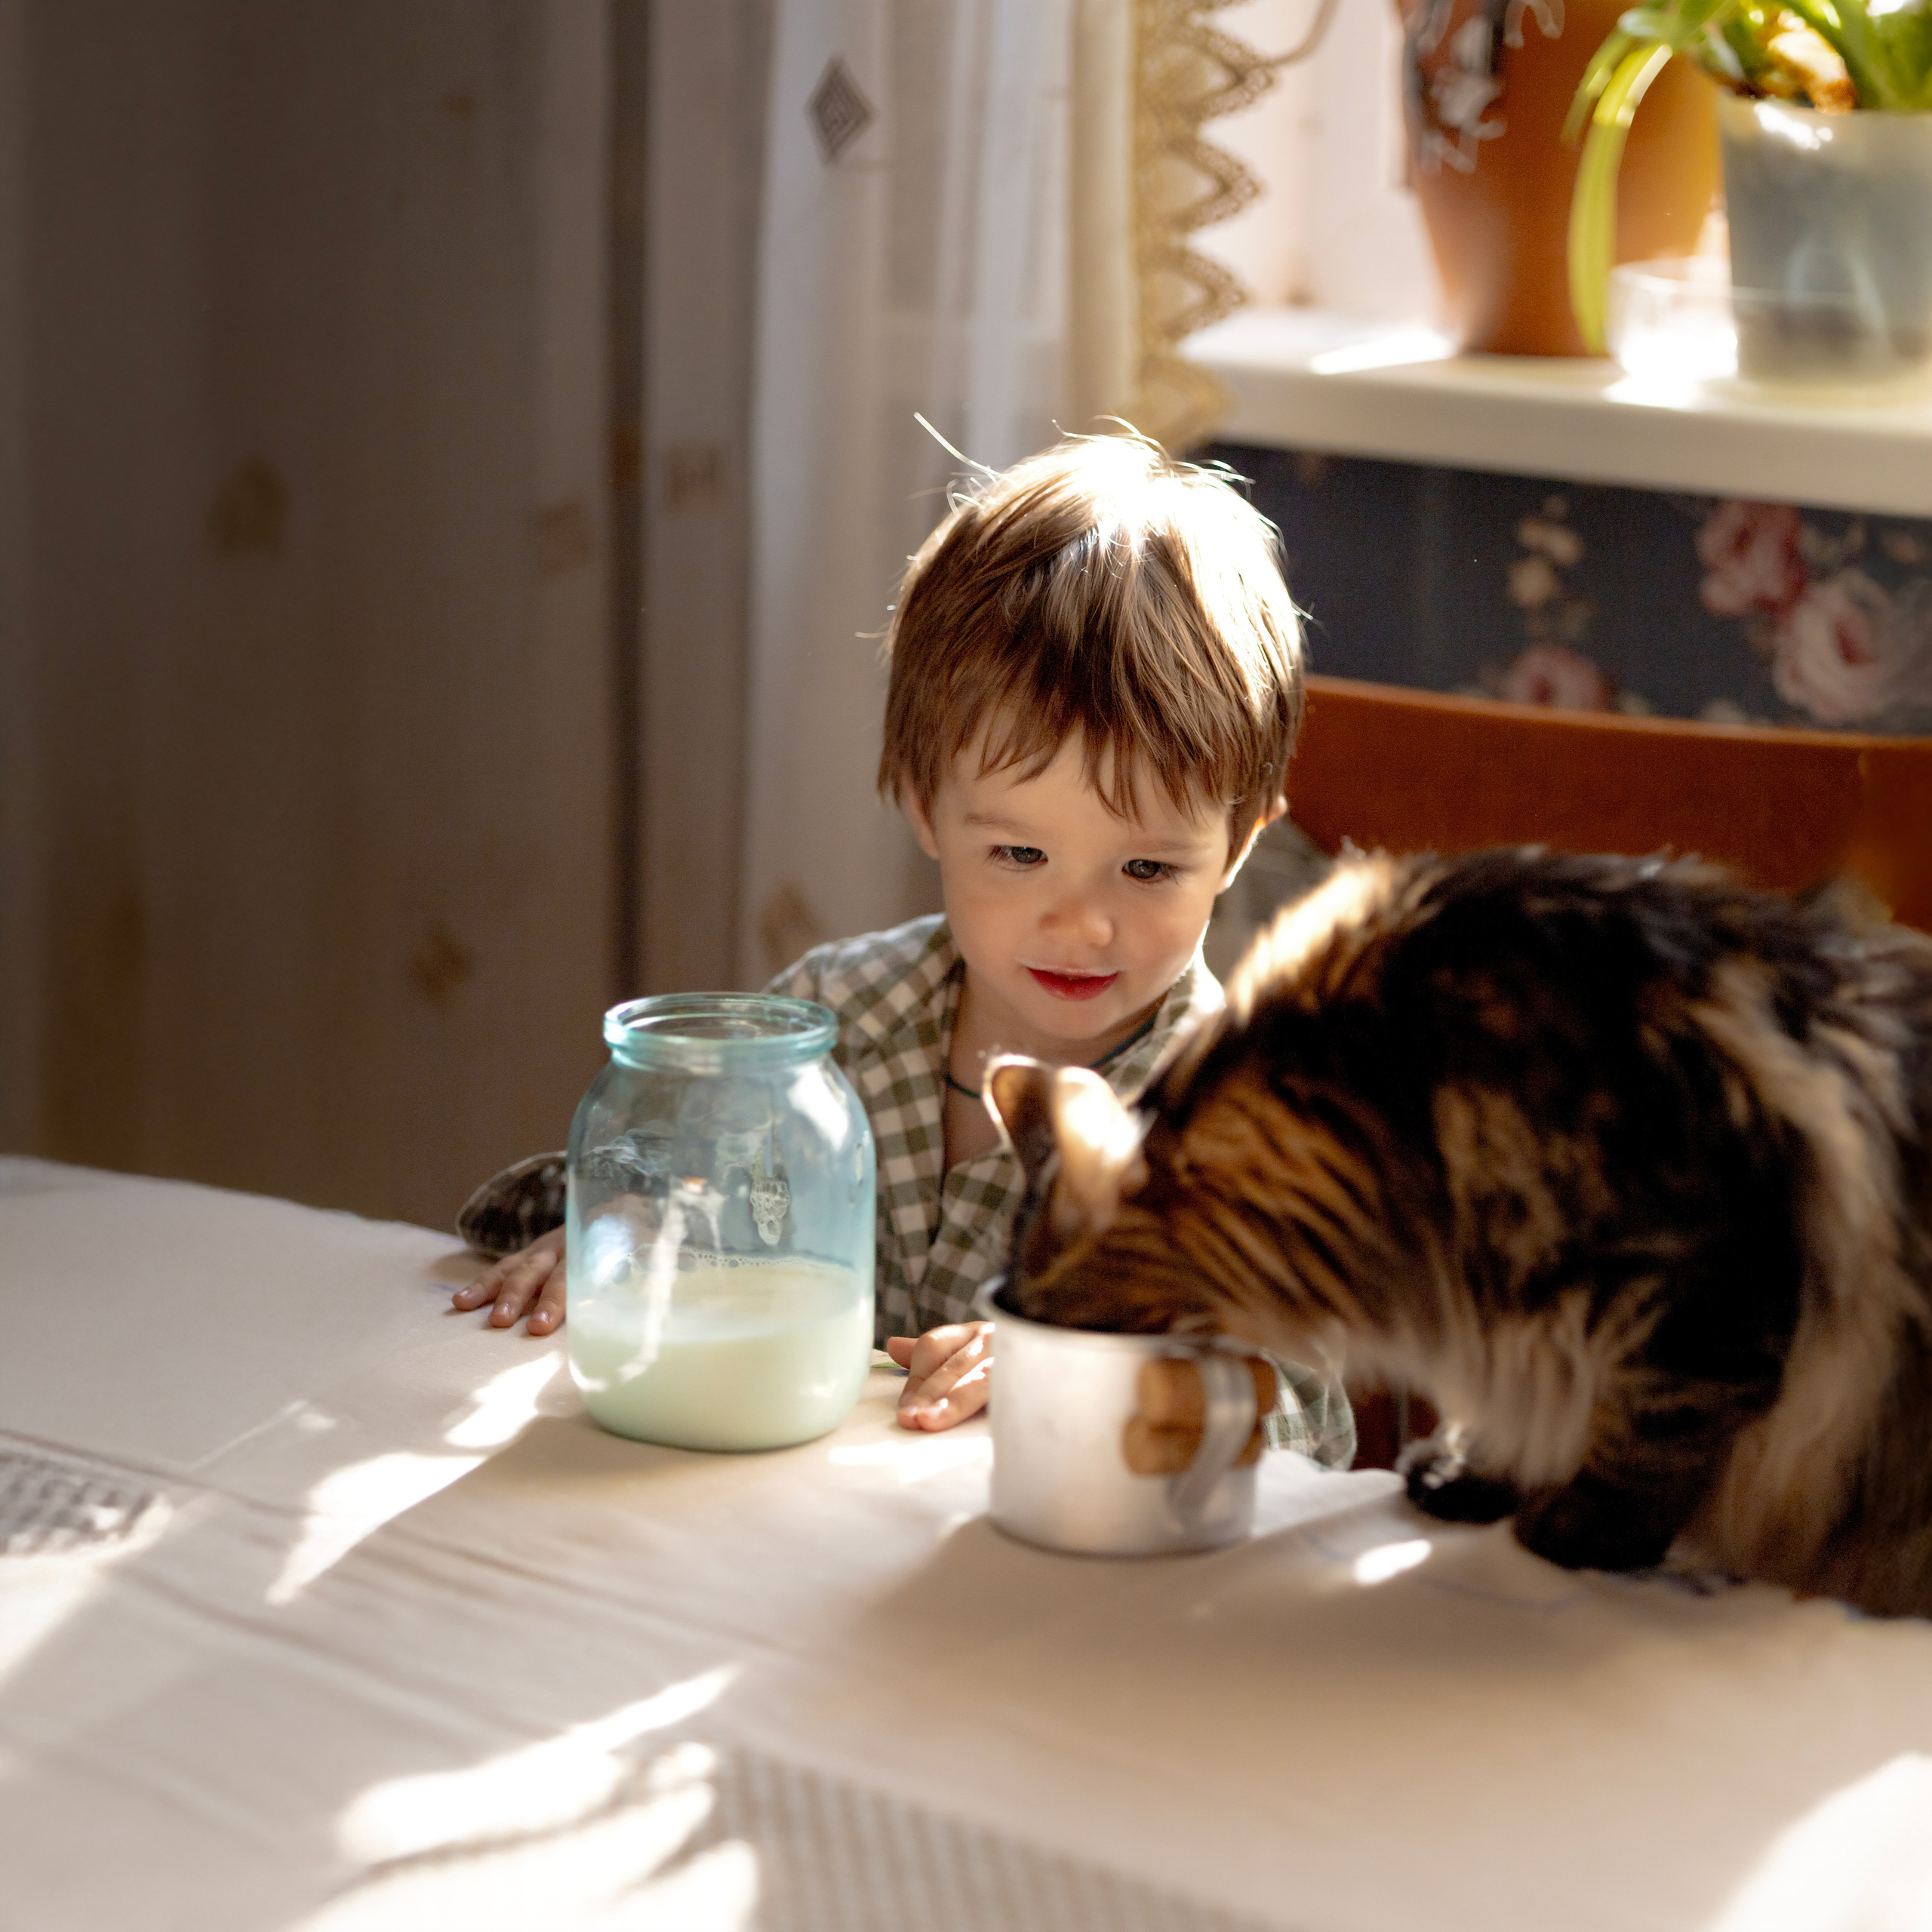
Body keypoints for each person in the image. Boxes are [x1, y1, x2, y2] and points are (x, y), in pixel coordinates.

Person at [452, 432, 1353, 1465]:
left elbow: (1308, 1422)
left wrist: (1104, 1373)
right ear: (924, 807)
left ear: (1240, 844)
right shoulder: (834, 1022)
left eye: (1147, 870)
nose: (1081, 923)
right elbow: (701, 1195)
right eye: (1019, 852)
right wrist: (628, 1238)